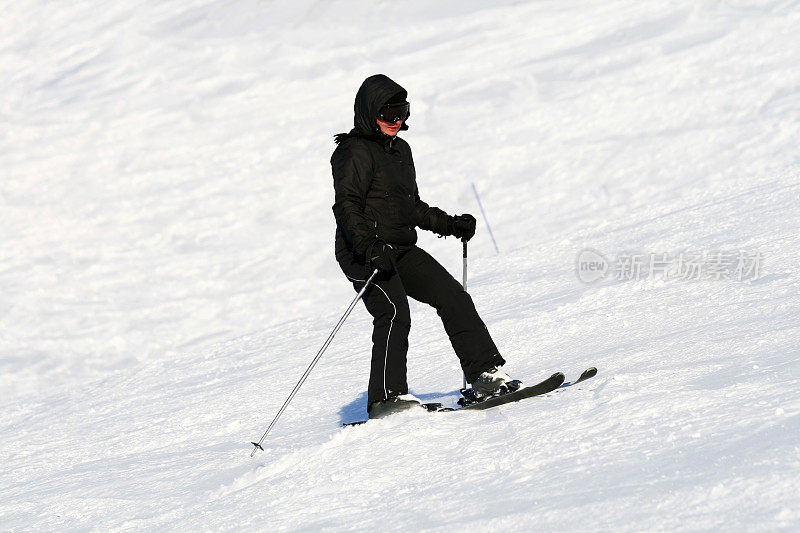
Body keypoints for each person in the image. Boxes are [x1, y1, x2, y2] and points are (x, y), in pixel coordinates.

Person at [331, 74, 518, 419]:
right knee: (393, 312)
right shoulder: (353, 151)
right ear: (371, 113)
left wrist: (449, 224)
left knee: (453, 296)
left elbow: (410, 207)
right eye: (389, 114)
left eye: (402, 113)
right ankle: (386, 398)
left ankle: (485, 375)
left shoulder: (401, 150)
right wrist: (369, 246)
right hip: (363, 252)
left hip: (399, 249)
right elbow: (347, 206)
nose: (397, 122)